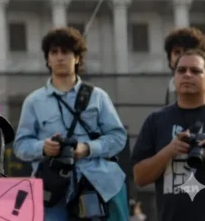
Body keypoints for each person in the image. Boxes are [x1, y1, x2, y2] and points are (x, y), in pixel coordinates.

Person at [14, 27, 128, 221]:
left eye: (66, 52)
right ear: (48, 60)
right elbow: (20, 146)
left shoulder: (98, 97)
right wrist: (44, 147)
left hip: (97, 184)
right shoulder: (34, 101)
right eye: (54, 52)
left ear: (77, 58)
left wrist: (87, 148)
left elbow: (118, 138)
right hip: (52, 190)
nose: (60, 57)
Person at [132, 49, 205, 221]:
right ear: (174, 77)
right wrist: (168, 151)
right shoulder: (156, 120)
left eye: (195, 71)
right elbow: (139, 178)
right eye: (181, 70)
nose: (187, 75)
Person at [163, 27, 205, 105]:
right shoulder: (172, 85)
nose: (181, 56)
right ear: (170, 59)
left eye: (187, 51)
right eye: (177, 52)